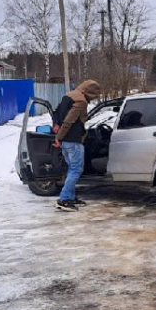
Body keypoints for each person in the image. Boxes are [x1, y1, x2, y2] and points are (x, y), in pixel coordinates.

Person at [52, 80, 101, 212]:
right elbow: (69, 121)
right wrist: (59, 137)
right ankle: (64, 199)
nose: (93, 98)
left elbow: (56, 113)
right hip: (72, 140)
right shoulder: (81, 101)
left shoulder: (68, 96)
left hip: (65, 141)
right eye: (94, 95)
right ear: (89, 92)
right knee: (76, 169)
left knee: (72, 169)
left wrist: (56, 130)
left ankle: (71, 197)